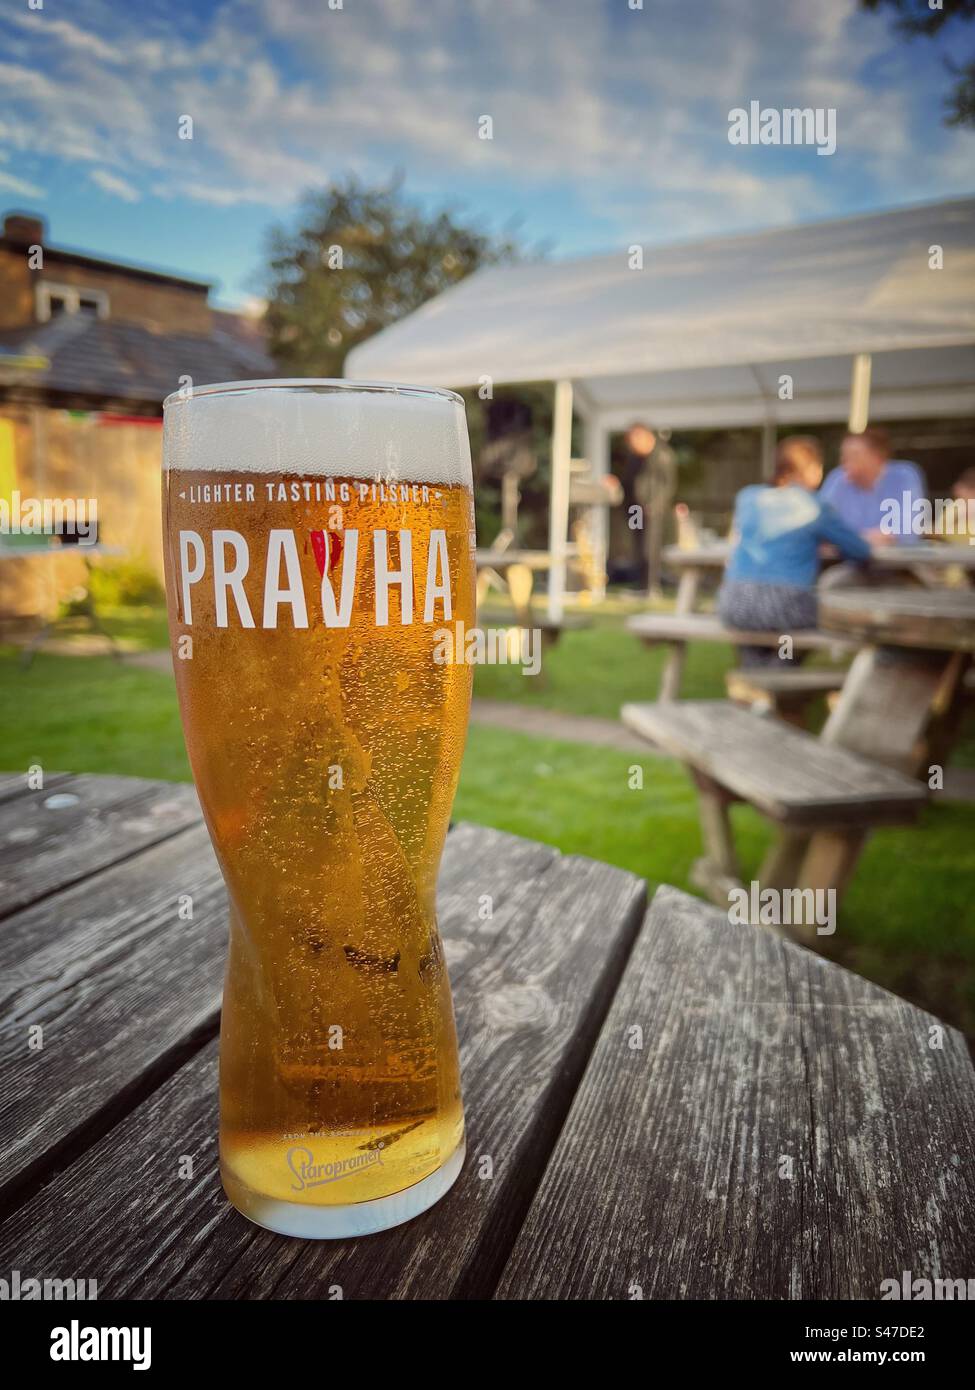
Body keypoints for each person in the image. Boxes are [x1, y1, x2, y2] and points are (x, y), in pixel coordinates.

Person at [718, 436, 870, 666]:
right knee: (829, 617)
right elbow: (860, 551)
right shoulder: (814, 504)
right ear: (810, 469)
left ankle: (755, 680)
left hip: (734, 601)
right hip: (785, 604)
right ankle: (775, 681)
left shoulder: (747, 497)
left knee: (756, 626)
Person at [819, 427, 926, 545]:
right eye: (843, 455)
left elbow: (907, 531)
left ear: (877, 456)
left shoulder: (904, 475)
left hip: (895, 561)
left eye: (854, 454)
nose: (844, 460)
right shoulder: (838, 478)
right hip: (843, 560)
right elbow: (818, 526)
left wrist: (846, 538)